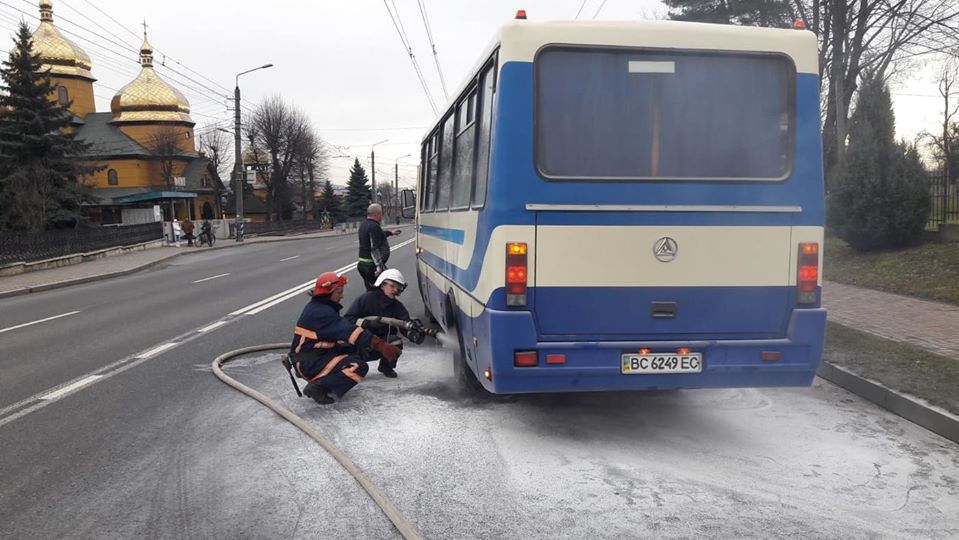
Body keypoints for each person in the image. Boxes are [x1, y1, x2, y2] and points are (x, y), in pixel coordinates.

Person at [289, 271, 401, 405]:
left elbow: (341, 333)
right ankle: (319, 387)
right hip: (310, 363)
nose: (342, 296)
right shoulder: (321, 312)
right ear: (328, 293)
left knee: (358, 349)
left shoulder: (321, 307)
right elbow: (350, 331)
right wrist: (381, 345)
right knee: (358, 366)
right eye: (339, 292)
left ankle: (325, 380)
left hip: (318, 355)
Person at [345, 269, 428, 378]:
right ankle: (348, 365)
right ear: (382, 285)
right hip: (360, 342)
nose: (395, 290)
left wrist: (413, 334)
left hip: (380, 343)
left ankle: (386, 366)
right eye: (392, 286)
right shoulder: (366, 300)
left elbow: (404, 324)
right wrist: (367, 324)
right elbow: (347, 320)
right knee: (355, 370)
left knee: (396, 342)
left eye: (398, 287)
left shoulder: (397, 306)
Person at [357, 203, 402, 291]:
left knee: (371, 290)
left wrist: (390, 233)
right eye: (381, 213)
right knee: (381, 291)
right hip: (371, 266)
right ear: (377, 214)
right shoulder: (374, 226)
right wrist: (379, 266)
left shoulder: (364, 225)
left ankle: (370, 303)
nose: (382, 216)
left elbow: (377, 236)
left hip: (362, 264)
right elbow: (374, 248)